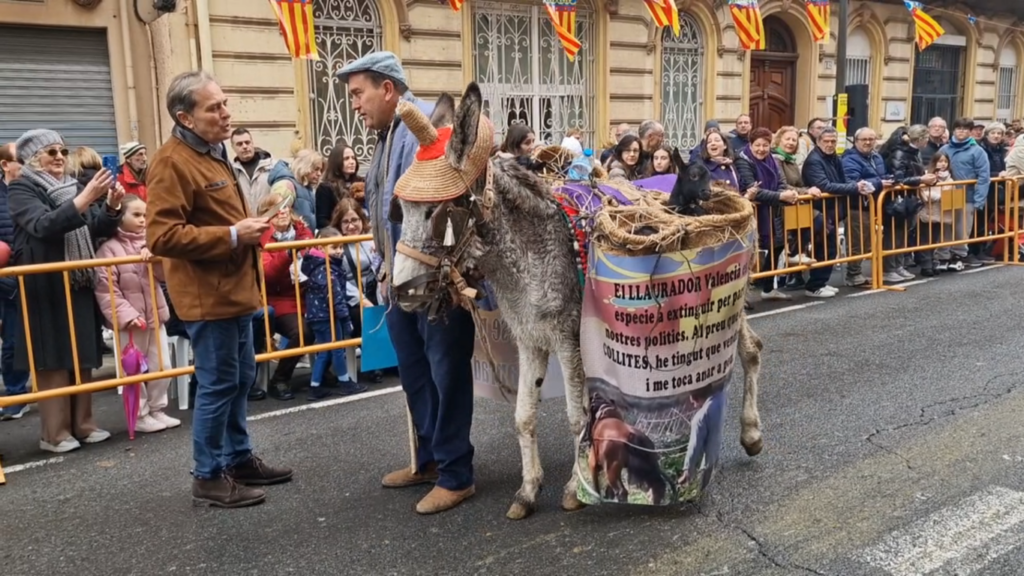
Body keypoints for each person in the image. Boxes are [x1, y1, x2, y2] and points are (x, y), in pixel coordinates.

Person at [147, 70, 292, 508]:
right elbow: (162, 236)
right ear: (184, 117)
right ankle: (208, 476)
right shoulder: (170, 161)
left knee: (241, 376)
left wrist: (252, 222)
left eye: (225, 103)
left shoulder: (212, 152)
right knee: (218, 384)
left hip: (235, 290)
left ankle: (237, 457)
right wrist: (232, 235)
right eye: (214, 107)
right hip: (207, 296)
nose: (226, 113)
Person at [339, 51, 476, 514]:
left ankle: (457, 474)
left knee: (445, 372)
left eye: (359, 93)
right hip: (398, 281)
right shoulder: (386, 136)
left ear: (388, 89)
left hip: (430, 281)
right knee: (417, 375)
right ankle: (431, 459)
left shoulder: (424, 132)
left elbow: (444, 208)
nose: (354, 104)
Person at [8, 129, 123, 452]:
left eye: (62, 151)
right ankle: (54, 433)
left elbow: (94, 230)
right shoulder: (21, 187)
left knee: (82, 353)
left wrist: (111, 208)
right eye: (51, 152)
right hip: (45, 283)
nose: (60, 157)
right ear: (34, 159)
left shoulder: (71, 187)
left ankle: (84, 424)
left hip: (77, 278)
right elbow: (42, 225)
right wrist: (85, 199)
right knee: (53, 357)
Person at [94, 194, 181, 434]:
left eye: (145, 215)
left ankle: (157, 409)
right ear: (120, 217)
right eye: (137, 215)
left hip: (155, 316)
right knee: (133, 370)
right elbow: (106, 289)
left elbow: (165, 277)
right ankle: (139, 414)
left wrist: (157, 259)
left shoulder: (152, 244)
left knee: (163, 366)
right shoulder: (108, 250)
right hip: (131, 323)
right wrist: (127, 316)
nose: (143, 220)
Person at [257, 192, 315, 401]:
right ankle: (280, 379)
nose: (282, 212)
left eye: (285, 206)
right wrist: (289, 252)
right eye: (275, 209)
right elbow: (269, 276)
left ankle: (322, 372)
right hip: (279, 299)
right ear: (266, 215)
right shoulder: (262, 240)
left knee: (332, 319)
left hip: (307, 294)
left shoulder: (303, 231)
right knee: (303, 332)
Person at [300, 226, 367, 400]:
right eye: (334, 247)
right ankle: (345, 382)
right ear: (322, 248)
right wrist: (346, 320)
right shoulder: (326, 269)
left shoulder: (316, 265)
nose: (339, 251)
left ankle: (315, 386)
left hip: (318, 314)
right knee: (336, 349)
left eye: (340, 247)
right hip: (327, 315)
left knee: (325, 351)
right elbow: (335, 297)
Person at [0, 142, 29, 421]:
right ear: (5, 165)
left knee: (17, 340)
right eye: (20, 158)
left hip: (25, 275)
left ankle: (17, 394)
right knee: (11, 341)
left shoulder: (32, 189)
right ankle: (14, 393)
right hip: (4, 278)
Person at [230, 128, 274, 212]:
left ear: (252, 143)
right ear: (233, 147)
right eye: (239, 144)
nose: (245, 146)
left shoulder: (272, 166)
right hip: (245, 222)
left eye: (247, 142)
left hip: (268, 221)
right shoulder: (230, 171)